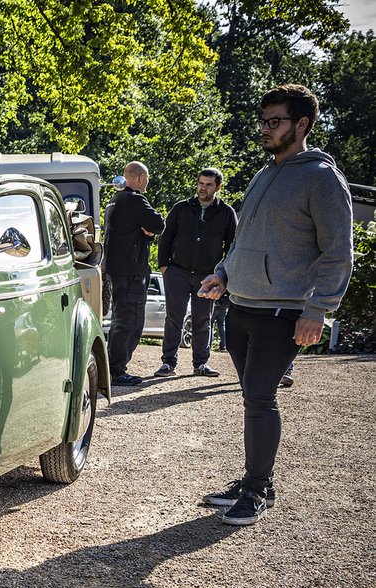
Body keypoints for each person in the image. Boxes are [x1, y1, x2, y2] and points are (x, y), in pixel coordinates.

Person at [198, 84, 353, 526]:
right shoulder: (265, 173)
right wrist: (224, 274)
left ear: (301, 124)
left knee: (261, 397)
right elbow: (244, 237)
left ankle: (256, 489)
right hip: (243, 304)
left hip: (283, 310)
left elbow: (338, 250)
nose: (265, 129)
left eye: (275, 121)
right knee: (252, 395)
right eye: (263, 121)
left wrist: (318, 309)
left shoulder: (322, 178)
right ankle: (256, 480)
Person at [154, 168, 237, 378]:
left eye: (209, 185)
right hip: (177, 272)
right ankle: (168, 364)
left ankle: (200, 364)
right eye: (201, 183)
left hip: (207, 276)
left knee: (203, 319)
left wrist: (224, 275)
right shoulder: (181, 208)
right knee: (174, 317)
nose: (203, 188)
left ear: (217, 187)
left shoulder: (226, 213)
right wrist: (165, 268)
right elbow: (165, 239)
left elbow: (233, 246)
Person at [105, 161, 165, 385]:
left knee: (121, 318)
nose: (147, 183)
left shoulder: (115, 200)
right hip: (131, 270)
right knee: (130, 320)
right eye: (147, 179)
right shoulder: (134, 199)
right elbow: (158, 224)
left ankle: (113, 367)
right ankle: (116, 370)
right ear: (140, 178)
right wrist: (151, 230)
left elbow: (137, 231)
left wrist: (146, 234)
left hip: (117, 268)